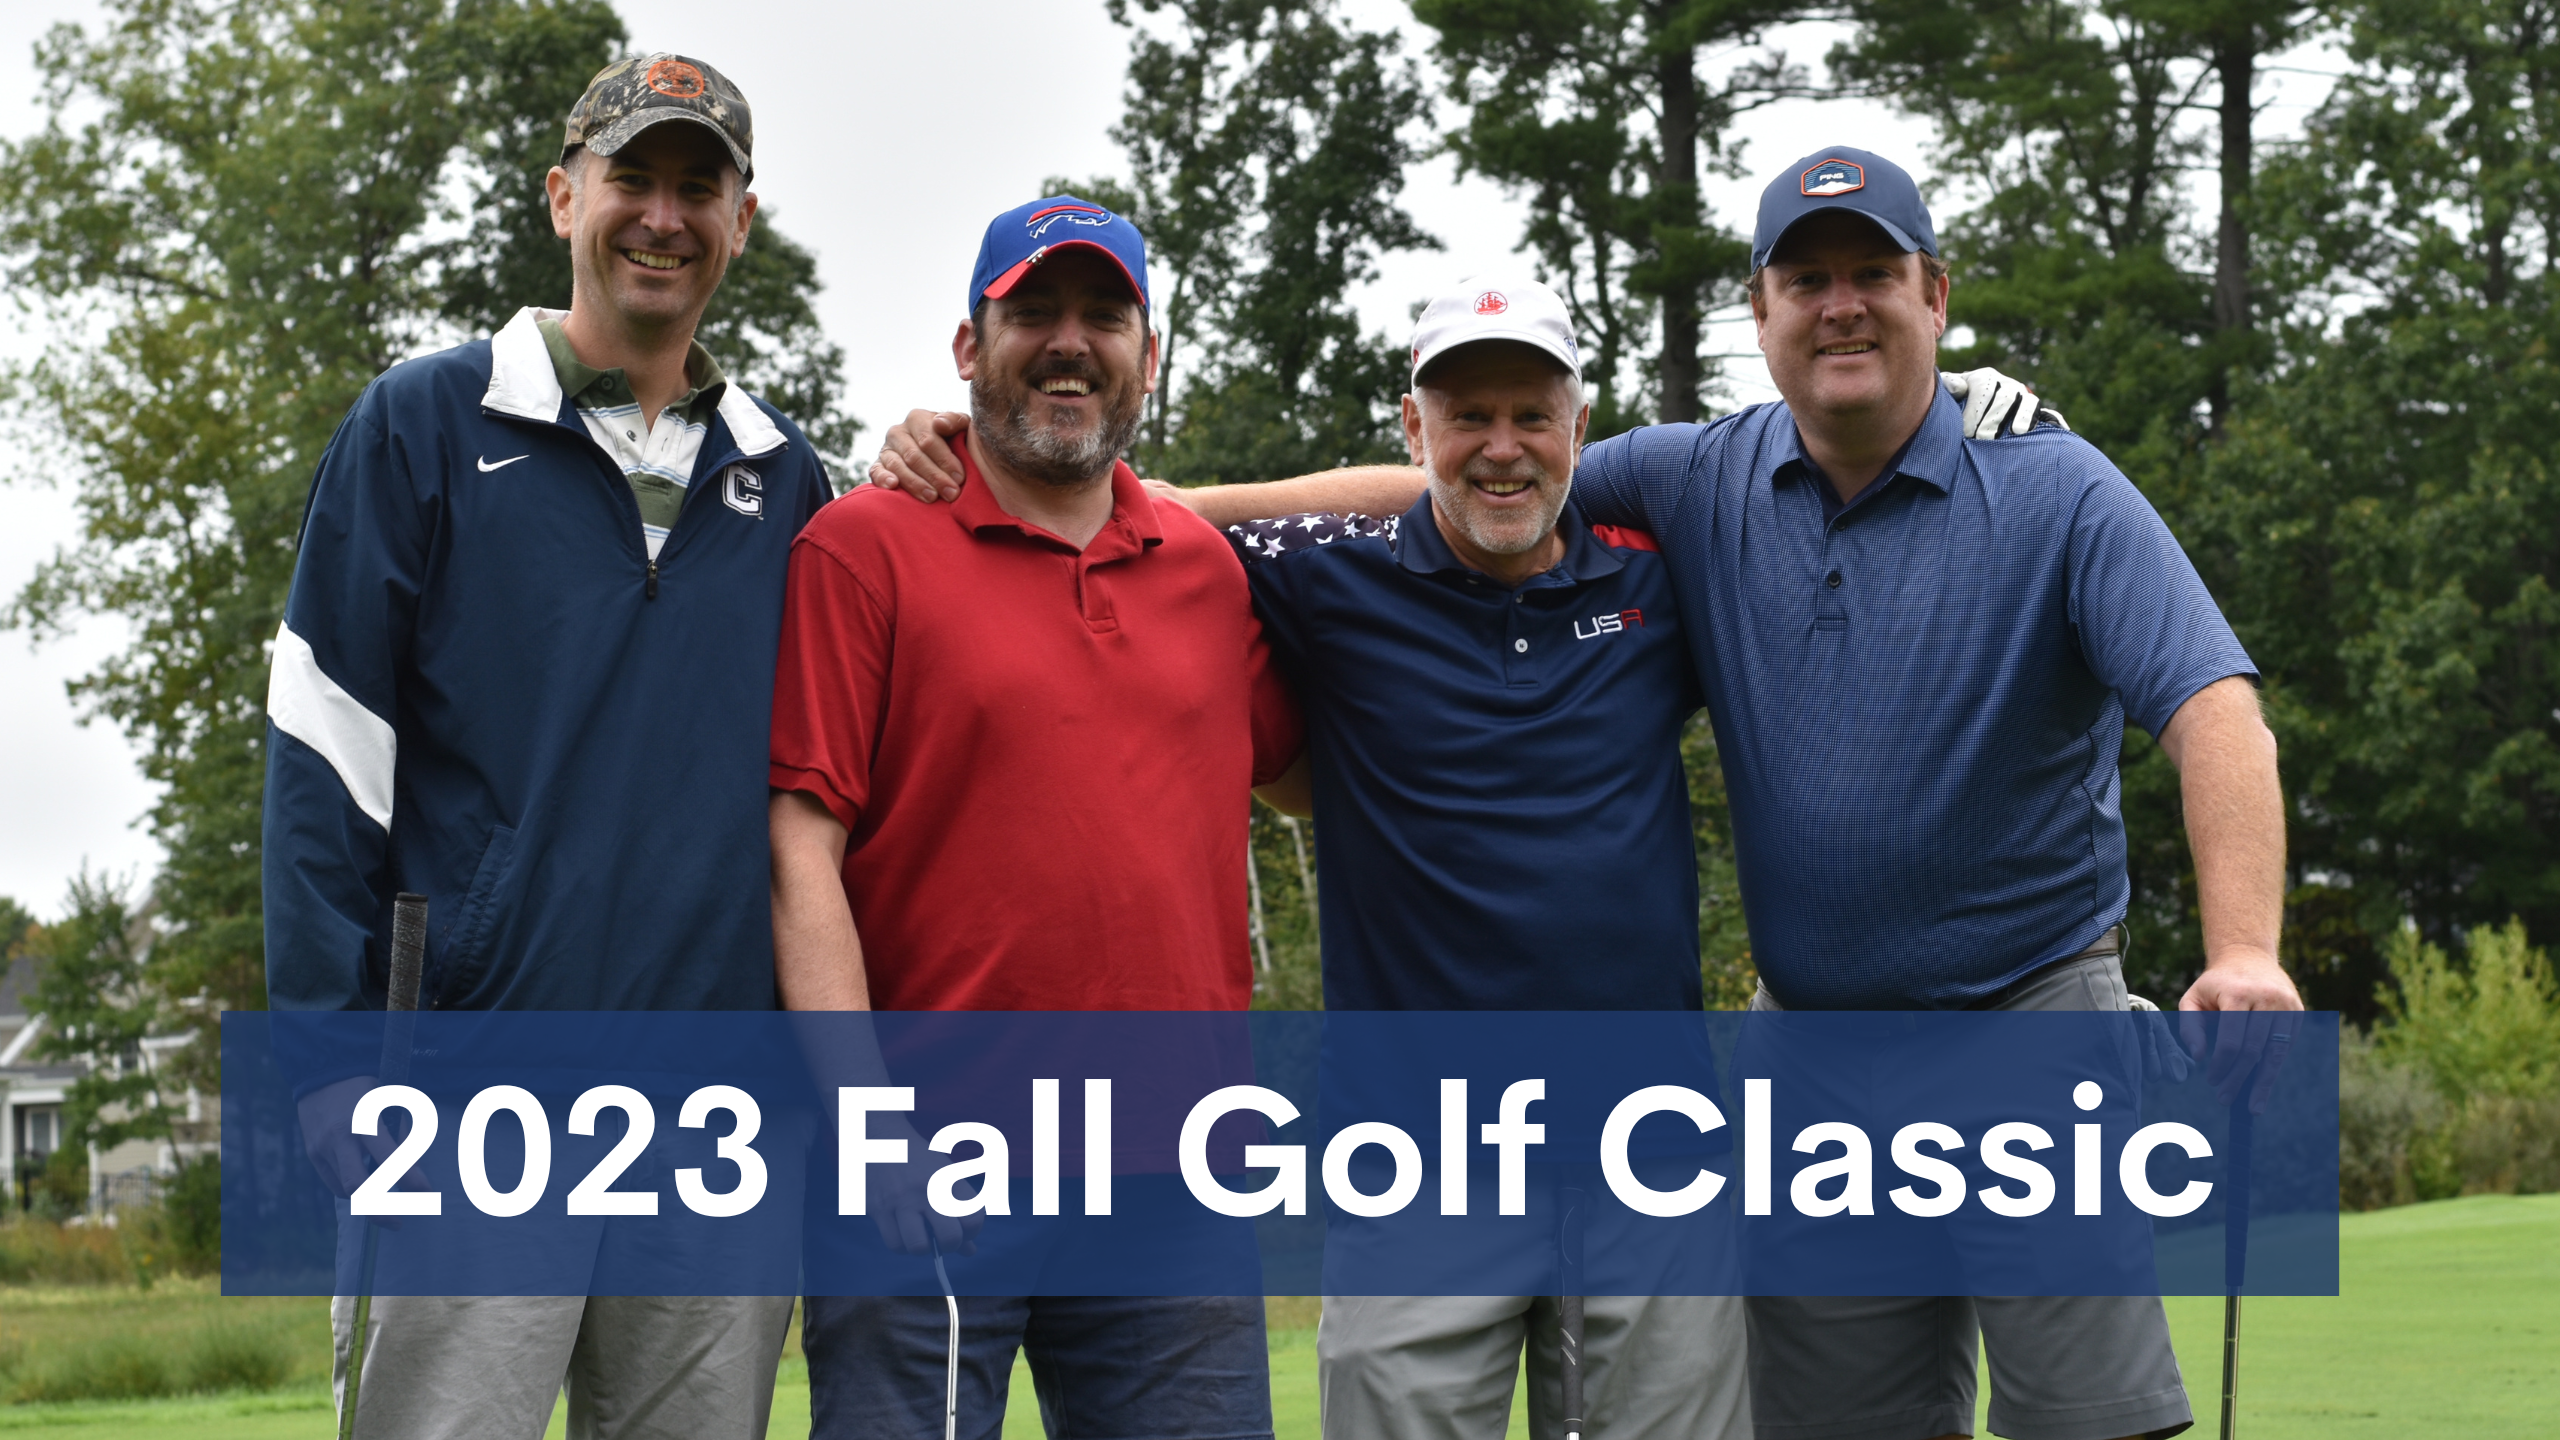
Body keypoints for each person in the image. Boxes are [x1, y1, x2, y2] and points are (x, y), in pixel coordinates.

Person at [878, 144, 2296, 1440]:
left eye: (1874, 274)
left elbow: (2213, 707)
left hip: (1992, 1033)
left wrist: (2243, 952)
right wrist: (1151, 498)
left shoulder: (2024, 486)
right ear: (1762, 308)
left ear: (1936, 292)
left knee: (2086, 1415)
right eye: (1809, 278)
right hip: (1765, 1064)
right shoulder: (1694, 480)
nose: (1842, 305)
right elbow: (1440, 484)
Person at [262, 54, 829, 1440]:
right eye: (633, 178)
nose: (662, 215)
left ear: (741, 222)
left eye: (700, 188)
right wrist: (329, 1066)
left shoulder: (792, 479)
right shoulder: (427, 424)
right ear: (564, 193)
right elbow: (324, 745)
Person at [766, 195, 1302, 1440]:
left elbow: (1303, 765)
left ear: (1148, 355)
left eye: (1104, 317)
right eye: (1034, 315)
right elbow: (800, 851)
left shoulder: (1201, 567)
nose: (1070, 343)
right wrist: (863, 1125)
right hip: (930, 1160)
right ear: (970, 347)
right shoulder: (862, 548)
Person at [1217, 273, 1752, 1439]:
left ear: (1578, 427)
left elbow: (1820, 472)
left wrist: (1955, 395)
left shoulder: (1658, 579)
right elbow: (1129, 526)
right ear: (1414, 429)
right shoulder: (1326, 580)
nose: (1500, 449)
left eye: (1530, 416)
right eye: (1465, 416)